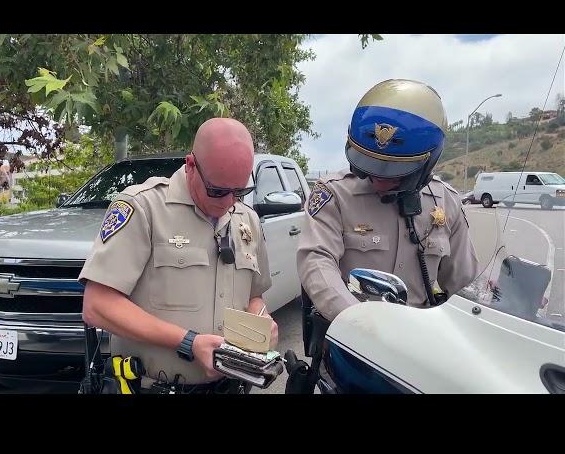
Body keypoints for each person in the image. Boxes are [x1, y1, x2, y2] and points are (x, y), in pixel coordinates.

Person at [79, 117, 277, 394]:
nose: (229, 202)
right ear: (191, 165)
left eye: (240, 191)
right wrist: (189, 342)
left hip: (231, 386)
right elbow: (97, 305)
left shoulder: (247, 220)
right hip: (153, 387)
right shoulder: (143, 208)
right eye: (218, 191)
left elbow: (255, 296)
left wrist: (261, 320)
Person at [297, 79, 479, 322]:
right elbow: (317, 264)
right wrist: (358, 322)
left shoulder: (447, 203)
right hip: (351, 335)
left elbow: (464, 284)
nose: (380, 180)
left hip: (420, 339)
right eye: (370, 166)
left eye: (396, 172)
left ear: (427, 165)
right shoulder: (334, 195)